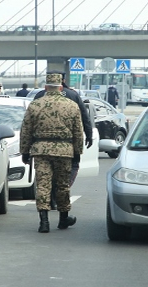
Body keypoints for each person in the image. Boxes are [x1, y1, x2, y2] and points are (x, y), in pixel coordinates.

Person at [20, 73, 84, 233]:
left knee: (43, 185)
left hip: (40, 150)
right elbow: (78, 131)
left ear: (45, 87)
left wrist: (25, 151)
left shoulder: (35, 105)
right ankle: (63, 219)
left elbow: (26, 130)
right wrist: (78, 151)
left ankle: (44, 222)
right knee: (62, 185)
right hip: (64, 150)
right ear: (61, 87)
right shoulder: (71, 105)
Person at [34, 71, 93, 187]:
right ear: (63, 82)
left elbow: (30, 122)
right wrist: (89, 135)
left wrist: (26, 149)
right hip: (67, 145)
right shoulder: (73, 95)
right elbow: (84, 117)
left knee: (44, 177)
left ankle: (49, 196)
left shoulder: (39, 95)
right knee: (72, 166)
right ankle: (63, 188)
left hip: (41, 145)